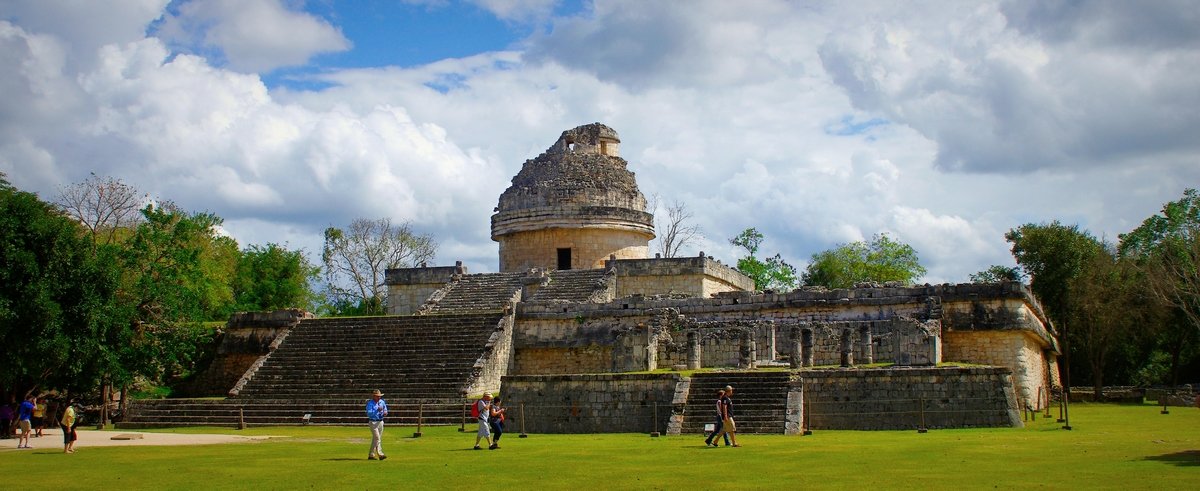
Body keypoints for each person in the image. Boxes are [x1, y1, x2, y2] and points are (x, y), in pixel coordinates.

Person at [365, 389, 388, 460]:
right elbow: (369, 413)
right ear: (374, 396)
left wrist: (385, 412)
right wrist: (377, 410)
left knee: (376, 439)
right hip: (373, 422)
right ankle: (380, 454)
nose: (379, 398)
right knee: (377, 438)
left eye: (380, 396)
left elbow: (385, 410)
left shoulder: (382, 402)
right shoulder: (370, 404)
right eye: (378, 396)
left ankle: (371, 455)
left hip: (380, 421)